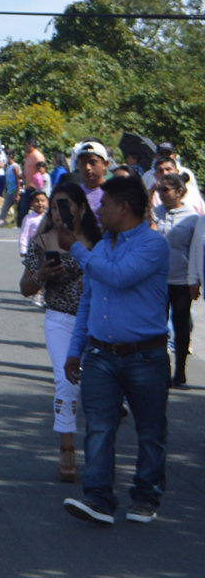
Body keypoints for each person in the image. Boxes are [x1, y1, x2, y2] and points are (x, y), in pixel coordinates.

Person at [61, 176, 172, 525]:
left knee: (150, 430)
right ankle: (98, 498)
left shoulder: (153, 245)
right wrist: (75, 349)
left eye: (105, 204)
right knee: (98, 425)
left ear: (124, 208)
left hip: (145, 355)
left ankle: (145, 497)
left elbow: (120, 276)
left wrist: (76, 247)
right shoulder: (101, 249)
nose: (99, 210)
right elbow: (88, 302)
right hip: (101, 353)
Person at [20, 182, 100, 482]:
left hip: (96, 323)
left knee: (95, 388)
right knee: (65, 381)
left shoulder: (97, 240)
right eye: (54, 206)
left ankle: (99, 451)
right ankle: (66, 446)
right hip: (59, 319)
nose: (57, 212)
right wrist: (42, 275)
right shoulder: (43, 241)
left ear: (80, 208)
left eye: (64, 206)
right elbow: (25, 287)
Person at [153, 172, 204, 387]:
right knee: (157, 327)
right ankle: (159, 369)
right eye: (159, 190)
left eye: (166, 190)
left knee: (181, 326)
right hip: (157, 280)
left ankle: (180, 370)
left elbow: (195, 252)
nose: (161, 194)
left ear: (180, 192)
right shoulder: (155, 213)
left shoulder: (192, 219)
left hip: (181, 280)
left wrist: (194, 280)